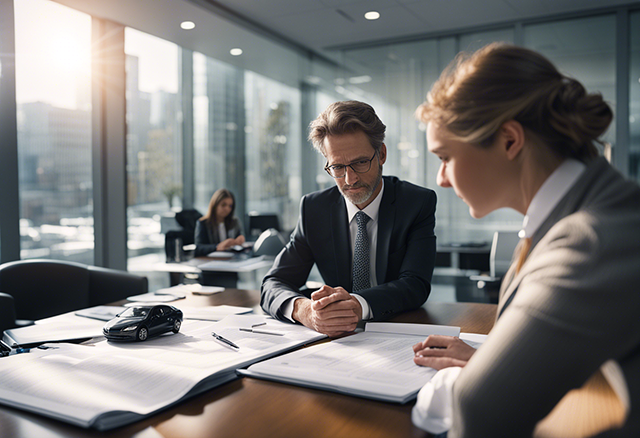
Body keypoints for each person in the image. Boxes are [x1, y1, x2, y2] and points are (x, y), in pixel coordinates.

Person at [411, 42, 640, 437]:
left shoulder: (587, 241)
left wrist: (471, 381)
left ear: (510, 141)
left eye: (445, 156)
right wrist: (492, 358)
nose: (441, 179)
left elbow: (480, 406)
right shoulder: (578, 210)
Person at [261, 100, 437, 337]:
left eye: (360, 162)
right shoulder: (314, 209)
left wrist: (357, 304)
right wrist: (304, 311)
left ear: (381, 154)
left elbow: (415, 285)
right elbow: (274, 283)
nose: (350, 179)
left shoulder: (416, 203)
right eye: (337, 167)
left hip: (400, 331)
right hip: (340, 340)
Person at [194, 189, 245, 257]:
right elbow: (199, 248)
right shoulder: (203, 223)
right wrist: (218, 246)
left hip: (231, 259)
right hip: (211, 261)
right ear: (215, 205)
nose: (227, 209)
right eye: (223, 205)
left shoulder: (235, 222)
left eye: (230, 206)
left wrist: (239, 240)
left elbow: (238, 239)